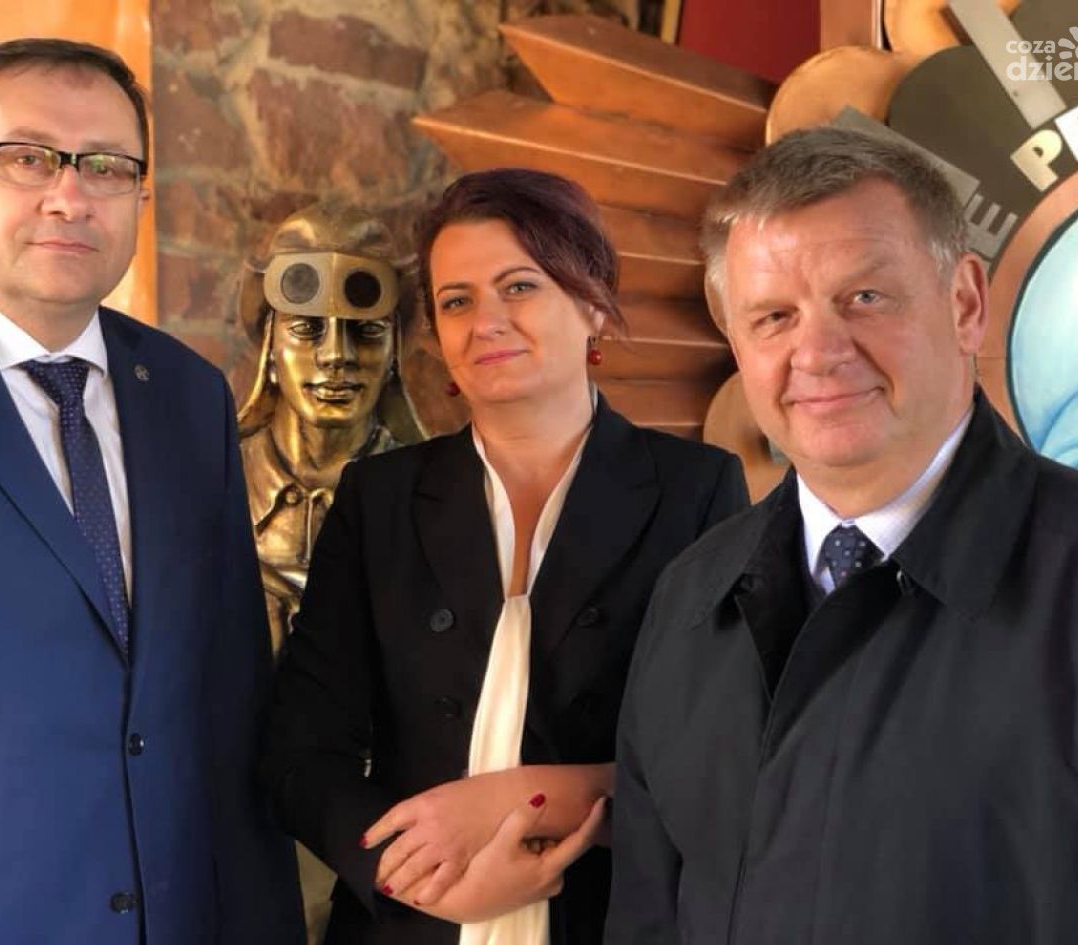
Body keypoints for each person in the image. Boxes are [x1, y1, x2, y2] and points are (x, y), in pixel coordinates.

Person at [607, 127, 1078, 944]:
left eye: (864, 298)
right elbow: (646, 919)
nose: (817, 353)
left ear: (965, 304)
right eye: (773, 316)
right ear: (737, 343)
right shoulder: (688, 597)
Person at [0, 38, 302, 945]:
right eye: (26, 158)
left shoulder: (189, 396)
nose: (69, 196)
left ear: (141, 197)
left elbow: (228, 709)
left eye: (106, 166)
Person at [261, 167, 748, 945]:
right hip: (405, 924)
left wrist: (521, 798)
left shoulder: (697, 490)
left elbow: (723, 755)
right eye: (457, 301)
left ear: (593, 303)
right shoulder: (379, 498)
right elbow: (298, 752)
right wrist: (410, 876)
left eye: (519, 287)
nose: (486, 322)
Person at [236, 204, 424, 653]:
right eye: (307, 329)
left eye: (367, 331)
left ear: (394, 352)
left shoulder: (428, 497)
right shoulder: (213, 483)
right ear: (270, 347)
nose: (336, 355)